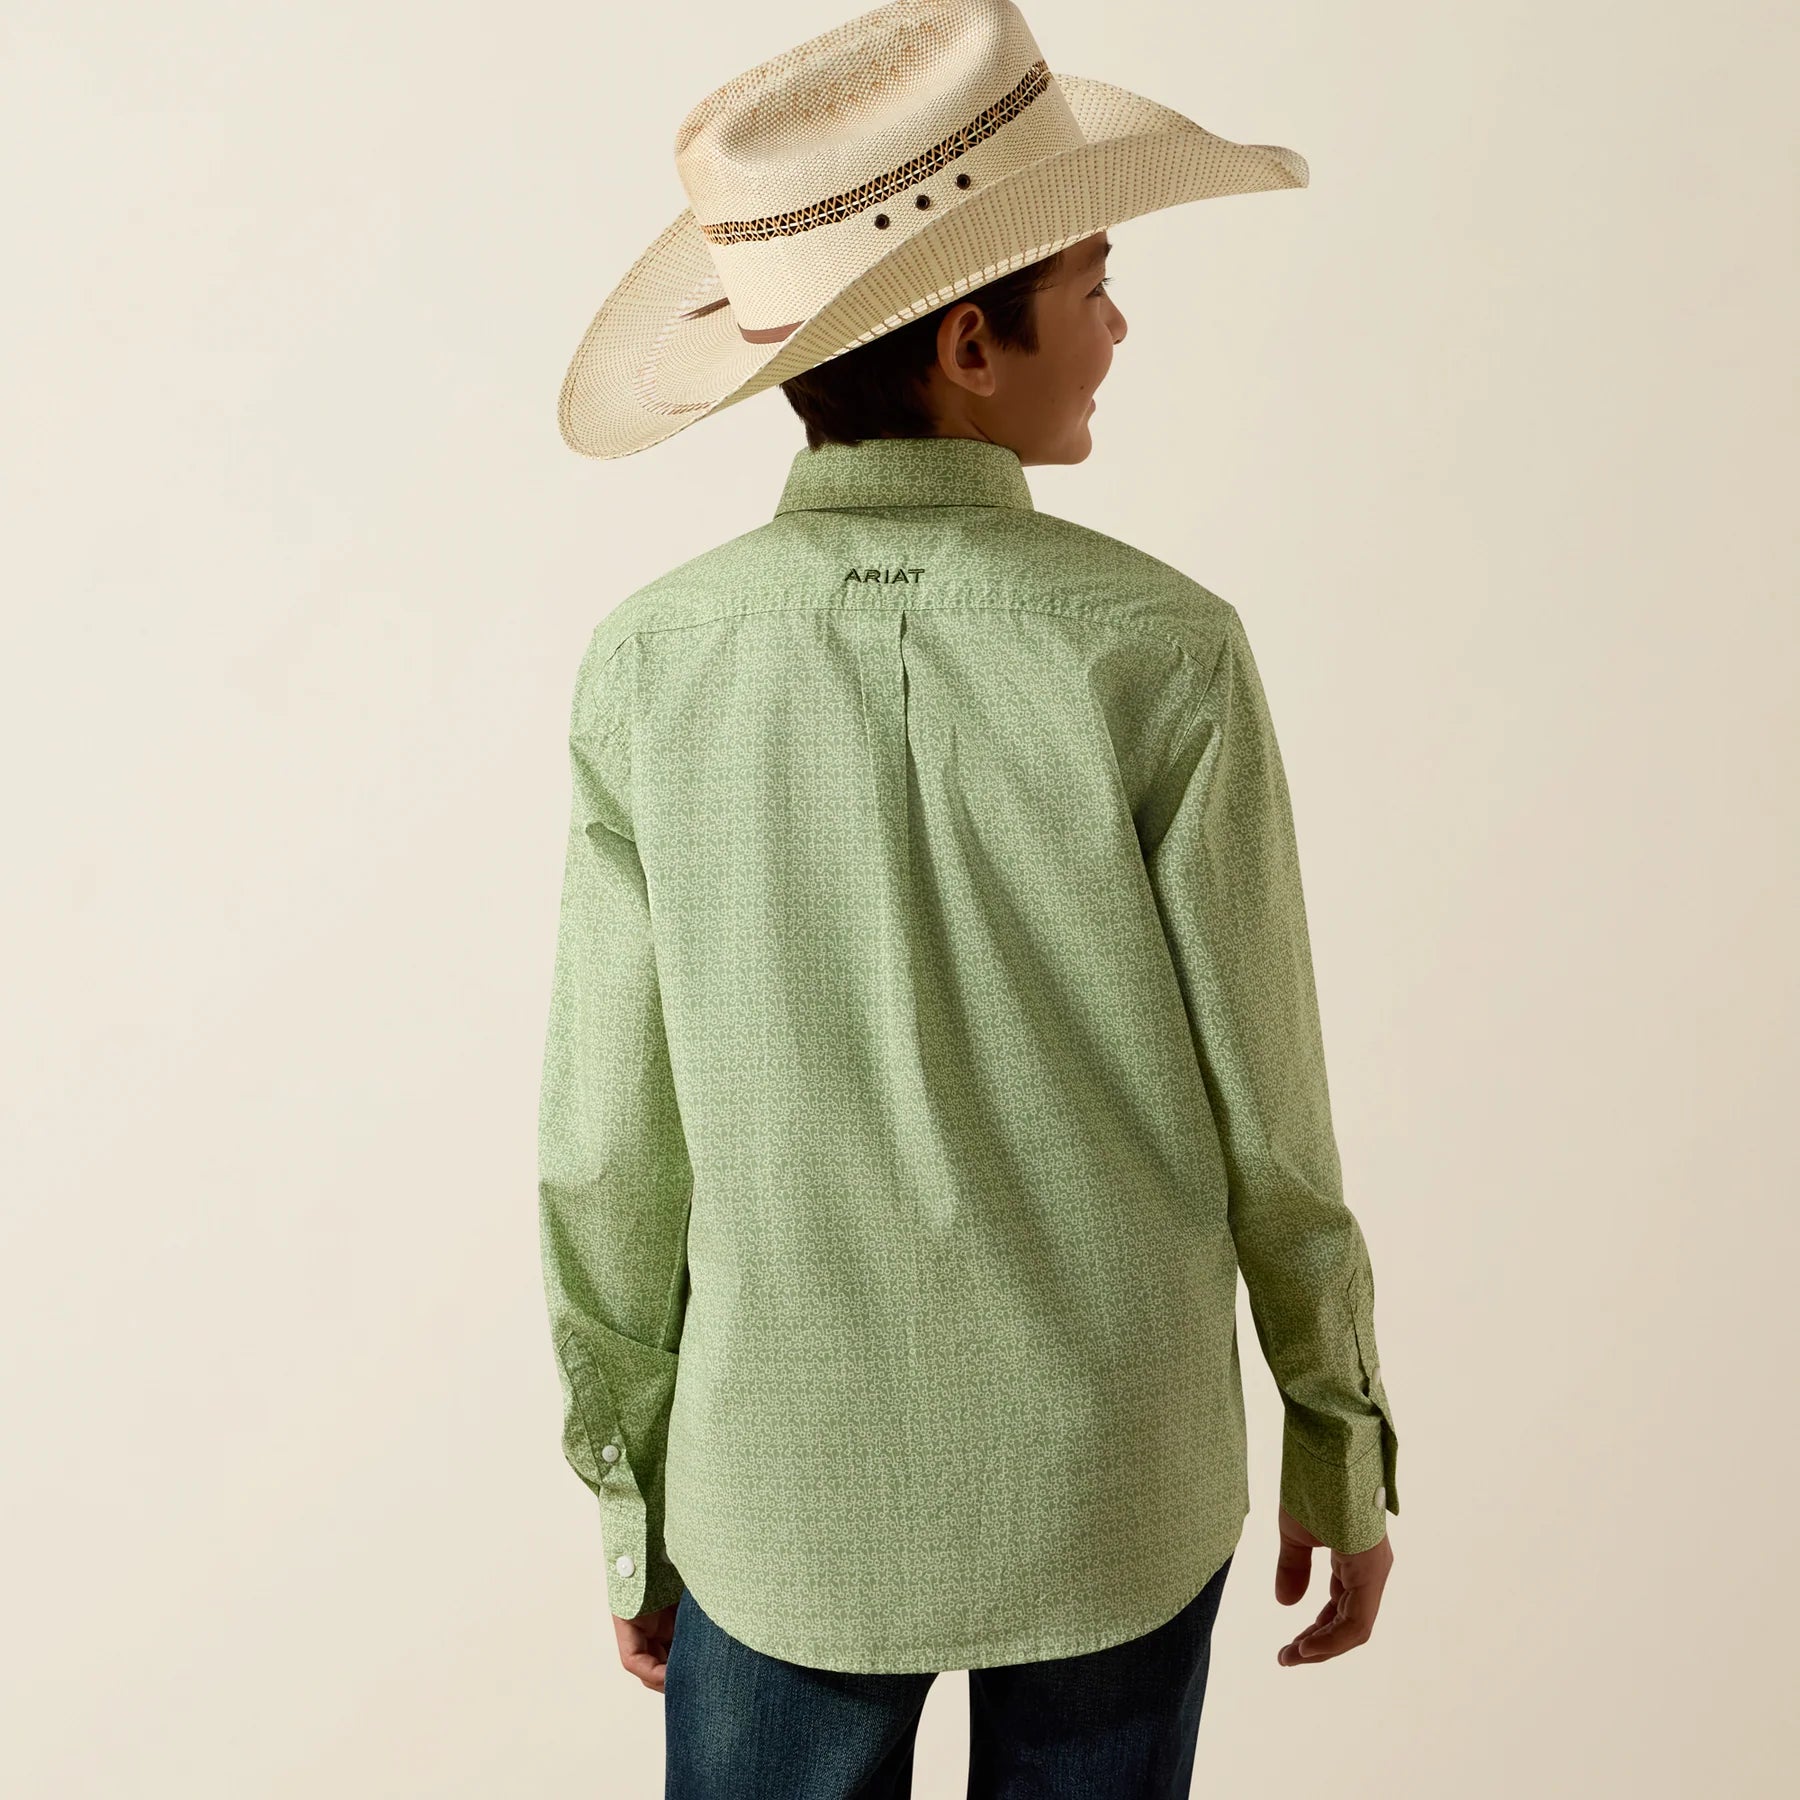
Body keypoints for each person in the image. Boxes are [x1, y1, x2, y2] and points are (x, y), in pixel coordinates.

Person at [537, 3, 1400, 1793]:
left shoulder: (652, 666)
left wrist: (633, 1486)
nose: (1119, 324)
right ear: (970, 341)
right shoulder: (1161, 650)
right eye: (1094, 280)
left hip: (779, 1491)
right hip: (1116, 1476)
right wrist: (1338, 1424)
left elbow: (609, 1145)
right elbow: (1273, 1116)